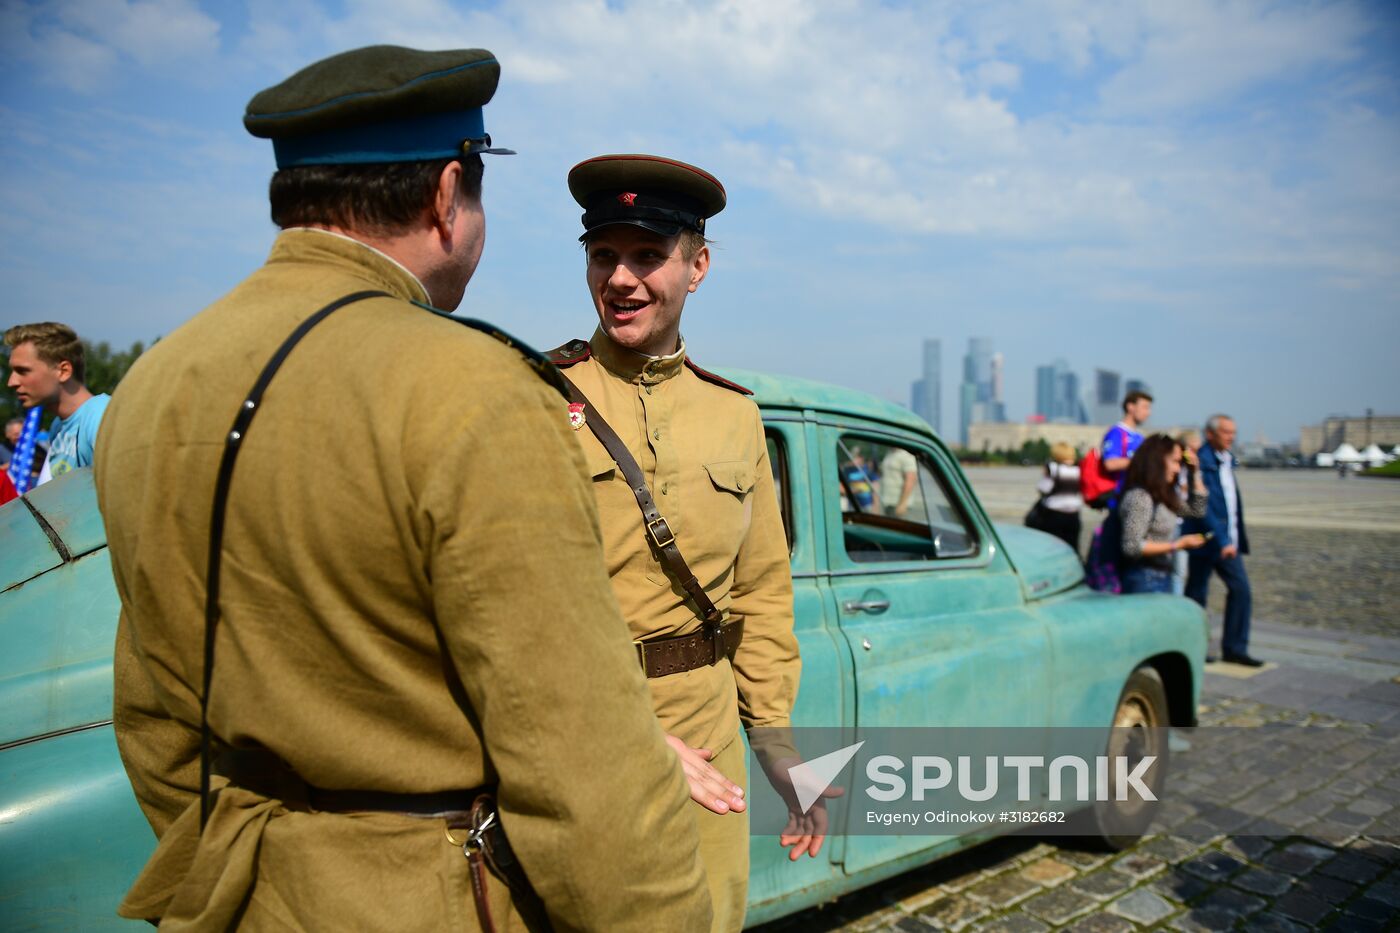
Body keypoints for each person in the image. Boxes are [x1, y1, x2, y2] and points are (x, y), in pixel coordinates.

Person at [93, 48, 710, 931]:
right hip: (433, 901)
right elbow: (579, 757)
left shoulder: (155, 384)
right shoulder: (473, 387)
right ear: (446, 193)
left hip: (235, 897)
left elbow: (150, 709)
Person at [548, 154, 805, 933]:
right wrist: (615, 732)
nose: (620, 279)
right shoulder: (534, 396)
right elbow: (506, 608)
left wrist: (777, 743)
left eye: (648, 256)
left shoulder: (733, 415)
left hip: (709, 730)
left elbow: (761, 588)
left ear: (698, 266)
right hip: (580, 733)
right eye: (603, 255)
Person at [1183, 414, 1260, 665]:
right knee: (1196, 594)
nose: (1231, 437)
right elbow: (1203, 507)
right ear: (1210, 434)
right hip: (1207, 539)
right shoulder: (1201, 461)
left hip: (1229, 540)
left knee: (1241, 591)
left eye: (1233, 432)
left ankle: (1235, 647)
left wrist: (1233, 539)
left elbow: (1230, 504)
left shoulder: (1226, 460)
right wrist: (1223, 538)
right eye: (1226, 432)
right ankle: (1193, 646)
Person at [4, 322, 111, 484]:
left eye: (23, 371)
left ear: (63, 371)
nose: (12, 382)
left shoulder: (101, 416)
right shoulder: (58, 426)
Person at [1117, 435, 1208, 594]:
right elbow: (1132, 546)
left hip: (1159, 576)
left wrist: (1195, 473)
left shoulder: (1163, 495)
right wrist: (1178, 545)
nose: (1178, 469)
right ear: (1157, 461)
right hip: (1143, 578)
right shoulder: (1140, 496)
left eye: (1180, 463)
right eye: (1174, 461)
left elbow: (1197, 510)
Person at [1026, 441, 1083, 552]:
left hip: (1054, 514)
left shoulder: (1054, 469)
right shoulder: (1079, 469)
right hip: (1074, 514)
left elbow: (1044, 488)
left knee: (1052, 546)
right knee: (1072, 546)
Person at [1101, 389, 1152, 508]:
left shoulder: (1139, 436)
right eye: (1145, 407)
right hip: (1119, 499)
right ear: (1130, 407)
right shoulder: (1116, 433)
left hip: (1136, 498)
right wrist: (1142, 461)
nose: (1148, 412)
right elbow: (1110, 464)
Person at [1172, 430, 1204, 595]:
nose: (1194, 455)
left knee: (1180, 572)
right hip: (1170, 523)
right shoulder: (1172, 467)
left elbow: (1199, 508)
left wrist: (1196, 472)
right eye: (1191, 449)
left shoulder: (1193, 470)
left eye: (1197, 450)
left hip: (1184, 524)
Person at [880, 444, 923, 519]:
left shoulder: (907, 455)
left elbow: (910, 481)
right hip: (888, 502)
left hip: (898, 503)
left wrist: (902, 504)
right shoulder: (890, 452)